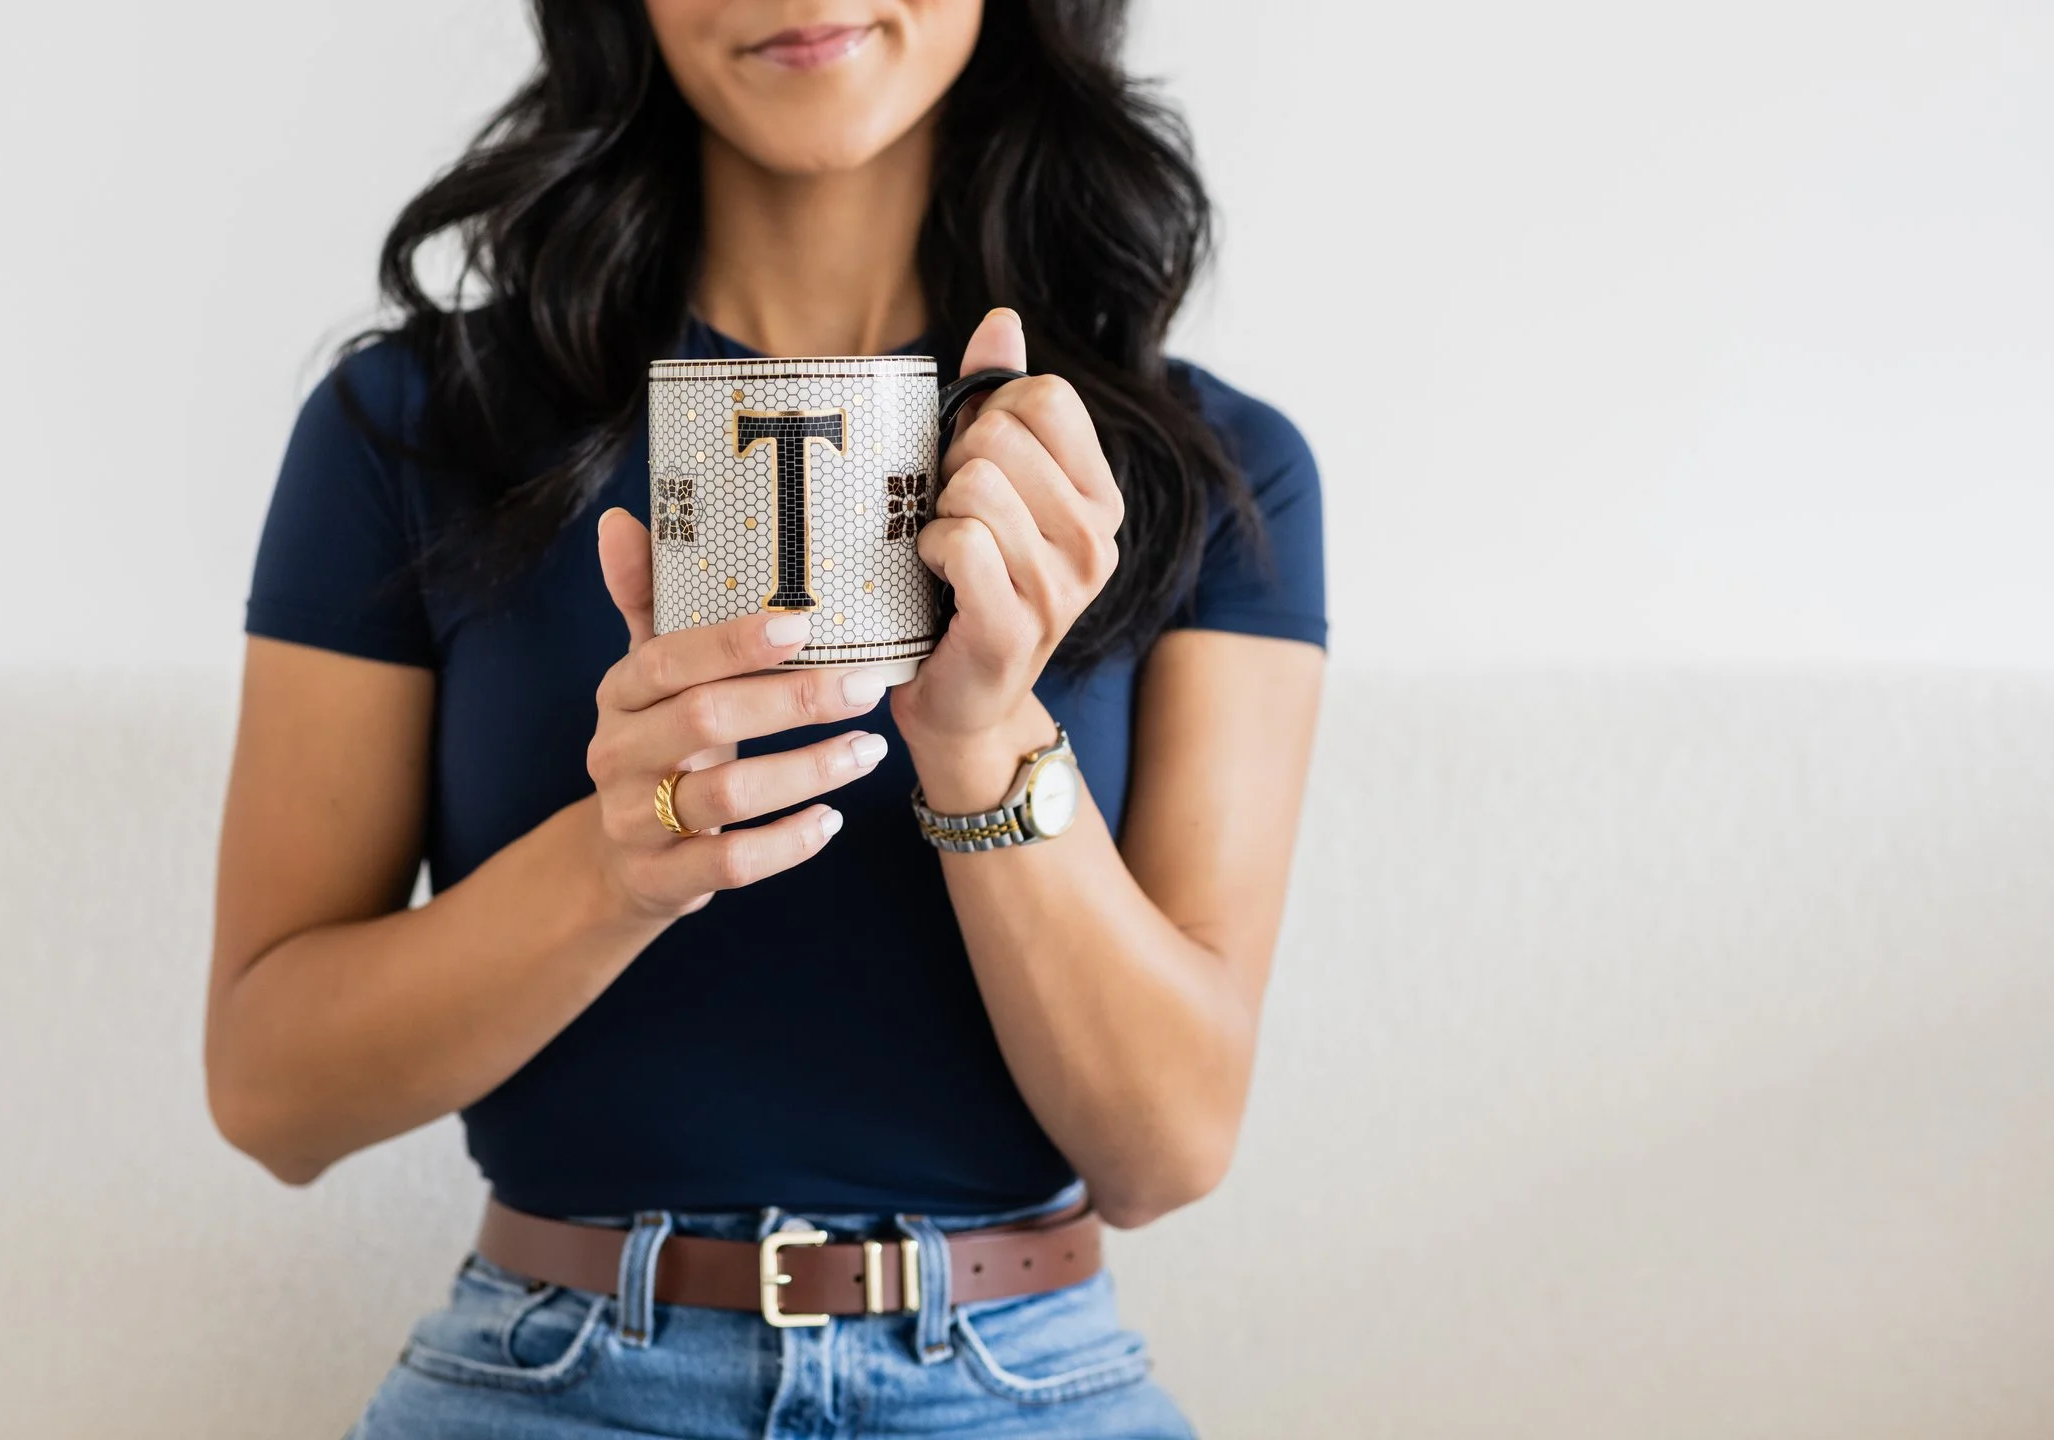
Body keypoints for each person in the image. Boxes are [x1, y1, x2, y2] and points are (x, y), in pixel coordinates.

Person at [205, 1, 1326, 1434]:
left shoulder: (1202, 473)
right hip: (551, 1377)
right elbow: (271, 1091)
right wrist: (618, 863)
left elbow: (1167, 1150)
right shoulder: (418, 425)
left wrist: (980, 739)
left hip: (1022, 1380)